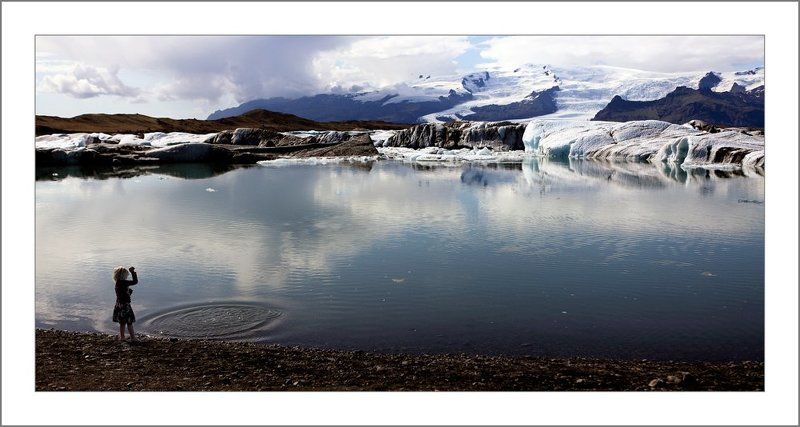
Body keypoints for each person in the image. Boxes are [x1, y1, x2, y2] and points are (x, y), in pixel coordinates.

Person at [112, 266, 138, 341]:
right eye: (126, 275)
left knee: (122, 323)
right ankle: (133, 338)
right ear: (123, 276)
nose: (127, 277)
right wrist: (133, 272)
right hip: (125, 305)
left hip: (119, 305)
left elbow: (122, 294)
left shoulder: (118, 283)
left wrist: (128, 292)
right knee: (129, 322)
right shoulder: (124, 282)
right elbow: (135, 282)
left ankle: (122, 337)